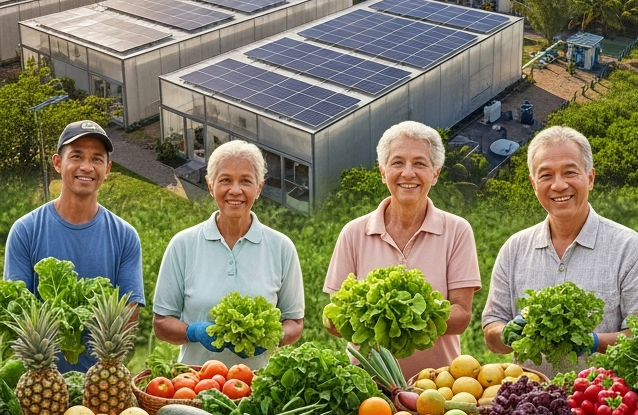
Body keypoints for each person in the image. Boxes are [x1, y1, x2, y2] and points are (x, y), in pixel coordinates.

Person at [483, 126, 638, 378]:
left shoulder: (630, 249)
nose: (558, 185)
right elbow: (492, 330)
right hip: (528, 405)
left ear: (590, 178)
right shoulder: (515, 248)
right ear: (534, 184)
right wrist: (508, 333)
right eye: (546, 175)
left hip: (601, 404)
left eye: (570, 172)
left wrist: (595, 341)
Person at [324, 122, 480, 378]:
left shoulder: (457, 230)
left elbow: (461, 316)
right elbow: (336, 320)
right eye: (398, 163)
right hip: (368, 383)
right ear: (383, 172)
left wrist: (406, 316)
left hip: (437, 384)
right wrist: (375, 317)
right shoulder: (353, 232)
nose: (408, 173)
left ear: (436, 173)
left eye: (420, 163)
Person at [4, 120, 143, 372]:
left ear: (108, 168)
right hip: (40, 381)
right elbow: (17, 313)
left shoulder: (125, 236)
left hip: (101, 381)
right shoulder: (25, 230)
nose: (86, 167)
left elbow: (128, 316)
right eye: (76, 156)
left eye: (97, 159)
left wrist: (107, 372)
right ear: (58, 163)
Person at [153, 141, 304, 369]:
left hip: (257, 386)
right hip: (193, 384)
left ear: (259, 187)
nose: (235, 190)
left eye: (245, 180)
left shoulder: (281, 247)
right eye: (225, 180)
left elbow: (294, 321)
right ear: (211, 185)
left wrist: (274, 336)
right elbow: (161, 323)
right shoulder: (182, 245)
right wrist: (193, 331)